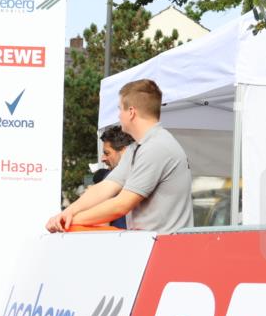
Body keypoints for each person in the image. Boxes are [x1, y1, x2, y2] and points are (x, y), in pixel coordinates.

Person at [46, 79, 193, 234]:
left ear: (131, 112)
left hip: (166, 248)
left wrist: (71, 221)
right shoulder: (138, 147)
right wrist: (68, 212)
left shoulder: (156, 147)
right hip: (152, 244)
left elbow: (122, 204)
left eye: (119, 109)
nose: (118, 116)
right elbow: (106, 187)